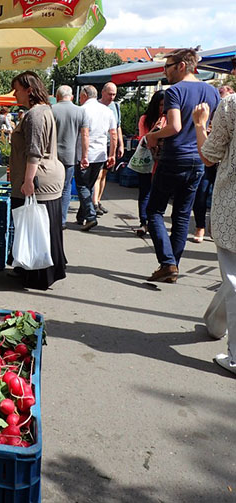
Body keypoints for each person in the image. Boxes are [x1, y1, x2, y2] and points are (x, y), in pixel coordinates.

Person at [144, 48, 221, 283]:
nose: (164, 71)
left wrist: (153, 136)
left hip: (174, 157)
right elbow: (212, 129)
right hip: (199, 159)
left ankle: (167, 263)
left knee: (154, 210)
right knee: (181, 215)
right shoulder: (212, 92)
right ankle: (172, 267)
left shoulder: (175, 91)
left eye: (167, 66)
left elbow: (174, 126)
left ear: (181, 66)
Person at [193, 58, 236, 374]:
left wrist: (199, 124)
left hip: (232, 205)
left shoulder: (230, 105)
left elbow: (208, 155)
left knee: (233, 276)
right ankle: (214, 323)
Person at [8, 71, 66, 290]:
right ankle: (34, 270)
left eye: (17, 90)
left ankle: (39, 274)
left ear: (29, 90)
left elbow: (35, 151)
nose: (14, 95)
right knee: (41, 227)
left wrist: (28, 180)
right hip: (47, 177)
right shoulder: (44, 111)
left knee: (38, 227)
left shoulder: (35, 115)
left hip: (40, 179)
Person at [76, 85, 117, 231]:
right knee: (88, 185)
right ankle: (81, 217)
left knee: (82, 185)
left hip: (84, 154)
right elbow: (113, 134)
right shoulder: (107, 111)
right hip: (101, 154)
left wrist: (84, 155)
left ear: (84, 96)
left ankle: (91, 216)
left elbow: (84, 134)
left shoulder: (82, 110)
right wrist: (112, 154)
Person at [52, 85, 89, 229]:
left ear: (57, 96)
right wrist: (84, 156)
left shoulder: (51, 110)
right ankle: (61, 221)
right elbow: (85, 135)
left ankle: (50, 217)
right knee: (66, 189)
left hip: (51, 156)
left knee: (50, 188)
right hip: (70, 156)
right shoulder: (80, 111)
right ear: (72, 97)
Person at [135, 90, 166, 237]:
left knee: (159, 193)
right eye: (160, 105)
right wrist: (156, 128)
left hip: (163, 161)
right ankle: (144, 222)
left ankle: (155, 222)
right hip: (147, 161)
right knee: (145, 191)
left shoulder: (171, 118)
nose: (163, 108)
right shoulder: (145, 119)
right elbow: (144, 139)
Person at [93, 82, 124, 216]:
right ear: (103, 93)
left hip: (110, 144)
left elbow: (117, 127)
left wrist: (120, 144)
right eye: (110, 94)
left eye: (114, 94)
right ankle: (93, 203)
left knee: (105, 174)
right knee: (98, 174)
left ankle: (98, 200)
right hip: (98, 144)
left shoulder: (115, 106)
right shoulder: (95, 106)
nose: (112, 97)